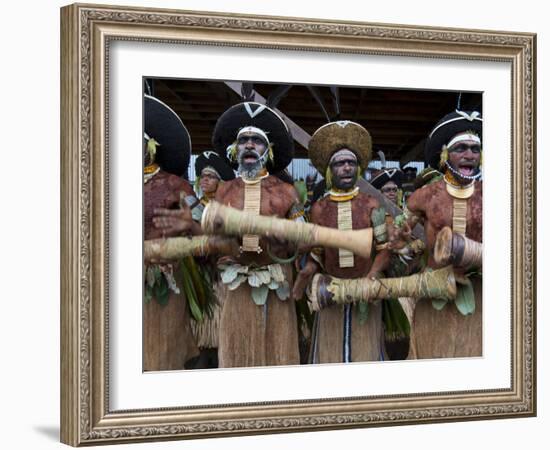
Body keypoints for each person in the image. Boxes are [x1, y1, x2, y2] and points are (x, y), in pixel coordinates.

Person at [154, 102, 303, 368]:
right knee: (237, 354)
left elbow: (301, 242)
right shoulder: (224, 192)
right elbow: (211, 241)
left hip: (277, 284)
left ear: (267, 150)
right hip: (236, 287)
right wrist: (191, 225)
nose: (248, 145)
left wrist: (288, 240)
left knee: (278, 355)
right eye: (243, 140)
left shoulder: (287, 192)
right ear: (235, 149)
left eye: (256, 141)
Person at [292, 121, 391, 363]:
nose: (346, 168)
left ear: (358, 169)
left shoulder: (371, 204)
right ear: (330, 170)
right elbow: (317, 252)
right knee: (330, 354)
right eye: (339, 163)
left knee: (366, 356)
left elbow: (383, 248)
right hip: (330, 292)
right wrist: (308, 269)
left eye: (351, 163)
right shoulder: (319, 209)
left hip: (365, 291)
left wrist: (372, 277)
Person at [394, 110, 483, 359]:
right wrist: (400, 243)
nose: (469, 155)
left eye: (475, 149)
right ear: (445, 155)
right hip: (434, 290)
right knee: (432, 354)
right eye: (461, 148)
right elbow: (402, 238)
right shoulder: (425, 196)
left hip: (477, 291)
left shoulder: (493, 193)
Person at [143, 94, 199, 371]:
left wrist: (190, 225)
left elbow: (203, 226)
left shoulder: (177, 185)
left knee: (162, 351)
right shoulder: (104, 182)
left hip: (165, 279)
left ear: (151, 145)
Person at [187, 151, 236, 369]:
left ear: (221, 181)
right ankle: (203, 354)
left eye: (211, 176)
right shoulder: (193, 207)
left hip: (222, 274)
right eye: (203, 176)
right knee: (201, 320)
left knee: (220, 317)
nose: (205, 179)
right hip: (200, 273)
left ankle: (219, 354)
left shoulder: (229, 209)